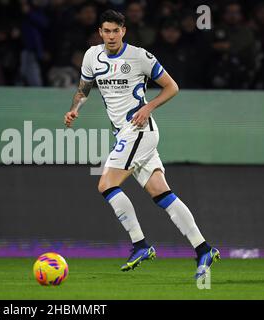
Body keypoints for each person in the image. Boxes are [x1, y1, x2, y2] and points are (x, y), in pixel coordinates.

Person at [63, 10, 219, 279]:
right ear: (100, 32)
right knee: (161, 192)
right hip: (125, 134)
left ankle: (140, 244)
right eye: (106, 31)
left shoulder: (139, 56)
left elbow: (172, 87)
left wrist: (148, 107)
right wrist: (74, 108)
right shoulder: (91, 56)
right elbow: (84, 88)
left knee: (106, 184)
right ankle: (203, 248)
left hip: (138, 130)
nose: (111, 36)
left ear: (124, 31)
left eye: (116, 30)